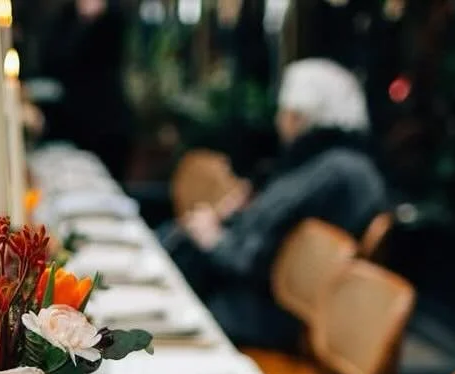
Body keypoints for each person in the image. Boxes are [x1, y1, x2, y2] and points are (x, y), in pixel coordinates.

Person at [169, 58, 388, 350]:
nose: (278, 121)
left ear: (299, 116)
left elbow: (252, 257)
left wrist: (214, 238)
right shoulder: (335, 163)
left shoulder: (334, 172)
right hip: (269, 301)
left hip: (270, 314)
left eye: (284, 112)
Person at [41, 0, 133, 179]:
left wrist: (95, 19)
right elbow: (51, 61)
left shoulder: (113, 15)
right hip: (72, 124)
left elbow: (106, 59)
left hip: (107, 125)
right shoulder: (65, 15)